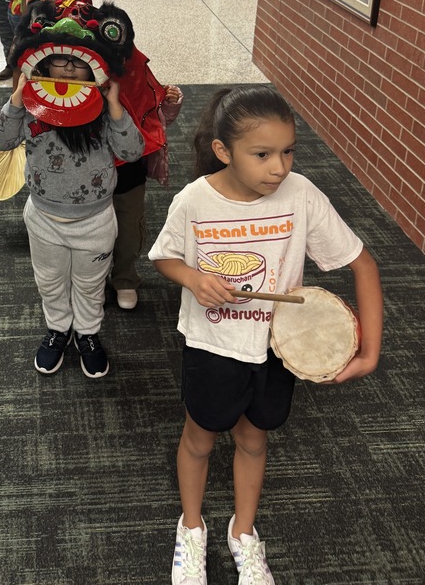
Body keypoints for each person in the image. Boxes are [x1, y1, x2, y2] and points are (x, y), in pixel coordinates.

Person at [149, 85, 383, 585]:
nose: (279, 167)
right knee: (200, 438)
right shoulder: (195, 201)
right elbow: (163, 257)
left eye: (287, 151)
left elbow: (363, 264)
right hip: (212, 346)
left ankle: (244, 533)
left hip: (275, 350)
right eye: (262, 154)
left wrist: (369, 351)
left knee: (254, 439)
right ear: (222, 151)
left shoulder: (300, 195)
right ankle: (191, 529)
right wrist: (194, 278)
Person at [0, 29, 144, 379]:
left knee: (91, 285)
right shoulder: (31, 109)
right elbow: (0, 142)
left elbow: (132, 151)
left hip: (95, 219)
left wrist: (116, 107)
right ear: (44, 62)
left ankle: (88, 335)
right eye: (61, 60)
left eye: (79, 63)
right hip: (44, 217)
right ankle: (58, 329)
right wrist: (17, 98)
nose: (69, 69)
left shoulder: (104, 111)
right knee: (49, 280)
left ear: (94, 69)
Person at [111, 84, 183, 310]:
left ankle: (125, 278)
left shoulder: (134, 76)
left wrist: (168, 102)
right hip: (88, 175)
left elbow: (155, 120)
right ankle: (92, 284)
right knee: (90, 235)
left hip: (130, 174)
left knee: (129, 231)